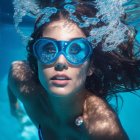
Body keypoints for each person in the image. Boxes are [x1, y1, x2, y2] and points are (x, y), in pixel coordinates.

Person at [8, 0, 140, 139]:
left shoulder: (102, 128)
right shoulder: (21, 81)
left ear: (90, 66)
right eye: (49, 48)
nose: (60, 62)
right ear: (36, 59)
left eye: (76, 50)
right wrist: (15, 110)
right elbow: (13, 80)